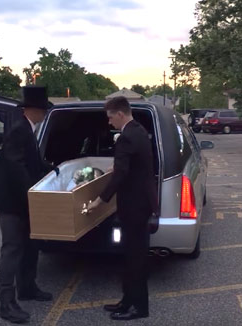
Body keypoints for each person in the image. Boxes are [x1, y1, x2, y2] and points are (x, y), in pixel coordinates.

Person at [87, 96, 158, 321]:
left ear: (119, 114)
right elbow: (131, 166)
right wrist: (117, 165)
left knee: (135, 258)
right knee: (130, 255)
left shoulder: (127, 137)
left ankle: (139, 307)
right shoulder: (139, 131)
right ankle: (127, 300)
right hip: (142, 203)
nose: (109, 123)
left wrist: (100, 199)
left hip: (134, 206)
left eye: (110, 118)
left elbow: (121, 175)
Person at [0, 86, 57, 324]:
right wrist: (33, 191)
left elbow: (31, 161)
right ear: (33, 109)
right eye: (42, 110)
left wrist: (51, 169)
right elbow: (14, 165)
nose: (43, 114)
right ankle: (6, 303)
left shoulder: (28, 129)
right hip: (12, 202)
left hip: (25, 201)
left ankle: (28, 288)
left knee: (31, 244)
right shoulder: (19, 130)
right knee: (12, 249)